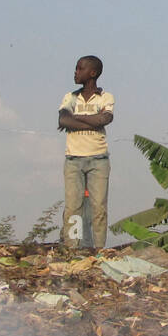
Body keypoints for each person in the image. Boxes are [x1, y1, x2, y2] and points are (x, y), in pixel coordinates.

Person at [58, 55, 114, 249]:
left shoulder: (106, 97)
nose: (75, 72)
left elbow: (104, 120)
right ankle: (72, 248)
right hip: (73, 159)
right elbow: (63, 121)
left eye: (79, 69)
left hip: (99, 159)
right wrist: (91, 117)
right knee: (73, 207)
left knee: (99, 208)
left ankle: (99, 250)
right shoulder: (70, 97)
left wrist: (77, 117)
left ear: (92, 73)